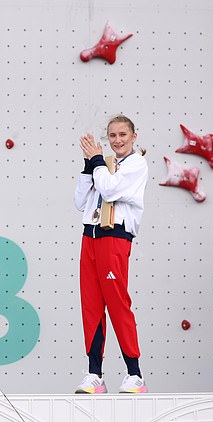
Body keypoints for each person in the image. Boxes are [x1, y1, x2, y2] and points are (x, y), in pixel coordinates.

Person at [73, 115, 148, 394]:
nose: (117, 141)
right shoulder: (101, 165)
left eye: (122, 135)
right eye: (112, 136)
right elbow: (80, 201)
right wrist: (87, 166)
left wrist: (95, 163)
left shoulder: (136, 164)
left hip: (115, 237)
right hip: (90, 236)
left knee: (117, 302)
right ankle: (95, 374)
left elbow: (110, 188)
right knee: (91, 306)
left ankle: (135, 374)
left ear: (133, 136)